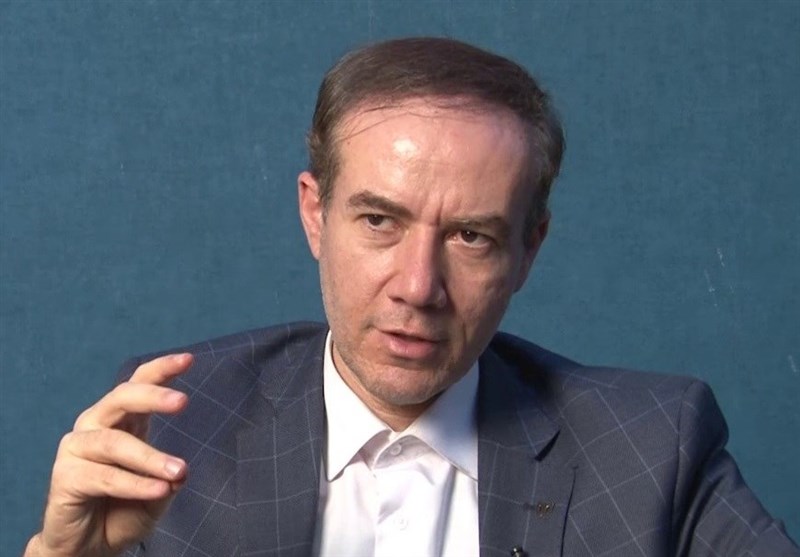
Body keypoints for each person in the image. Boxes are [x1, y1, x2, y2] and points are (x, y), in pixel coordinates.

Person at [25, 37, 798, 557]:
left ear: (529, 249)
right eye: (379, 221)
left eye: (471, 236)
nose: (418, 285)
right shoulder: (175, 423)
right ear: (314, 214)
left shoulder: (651, 449)